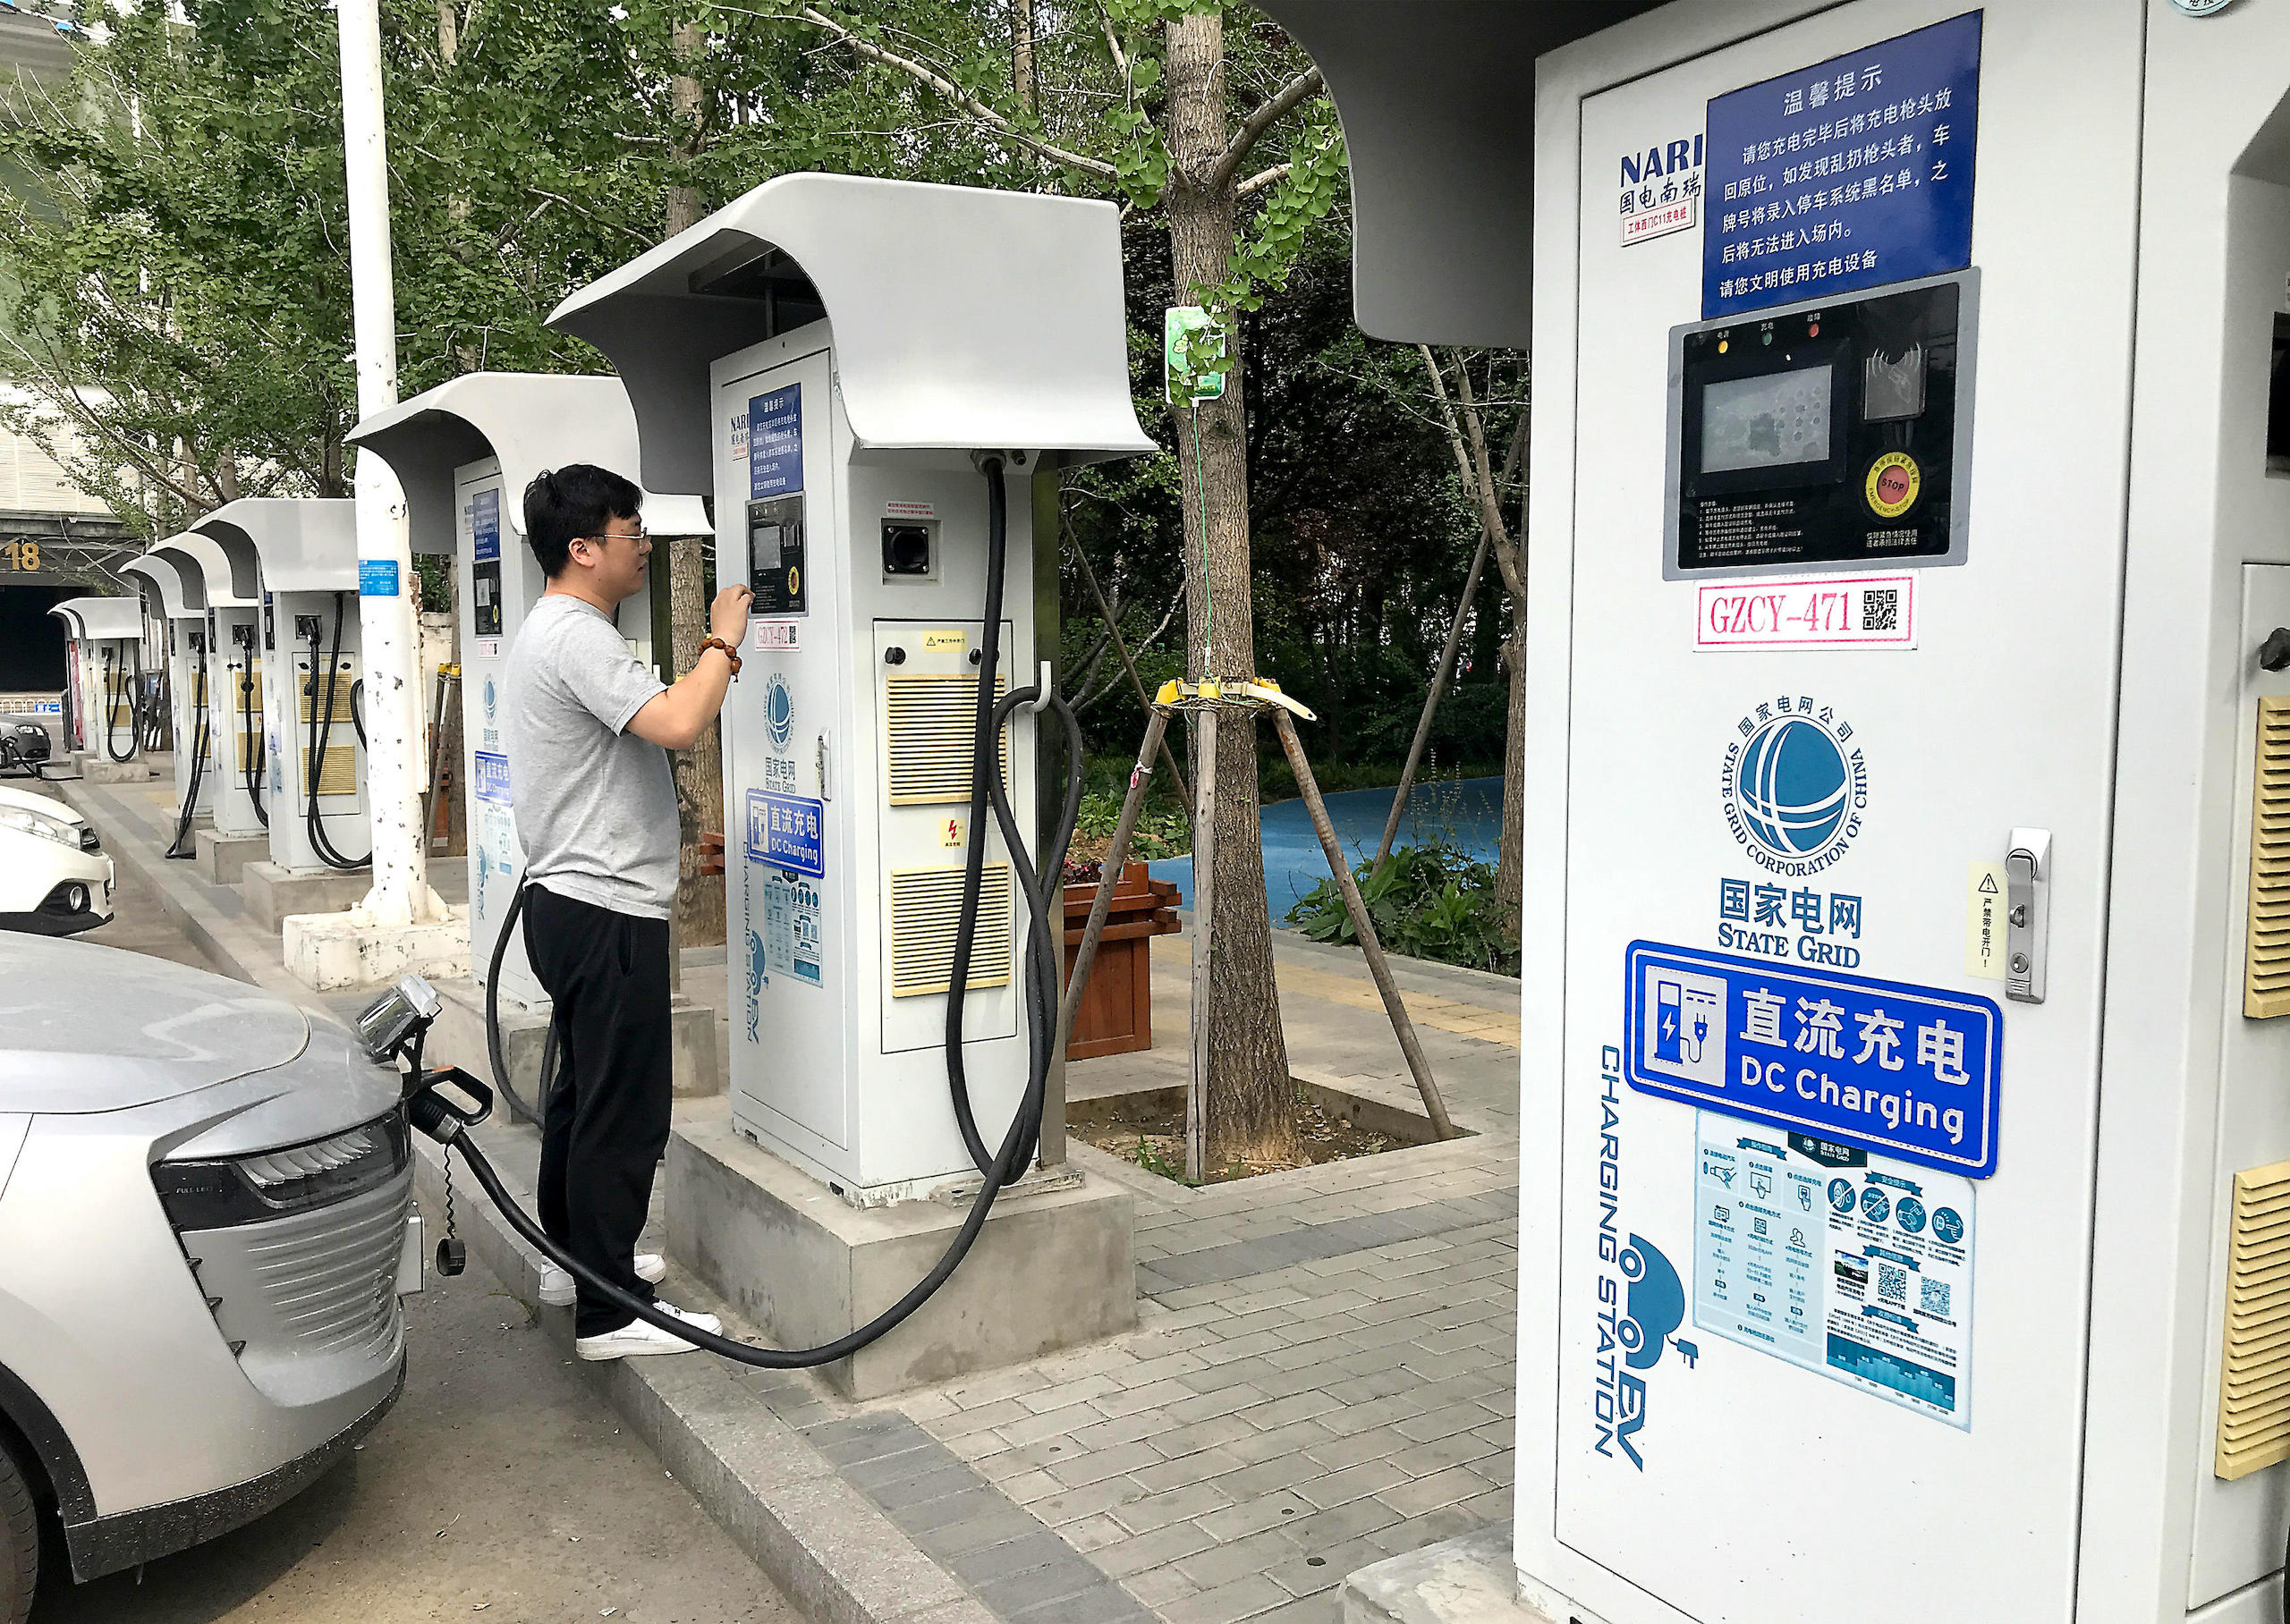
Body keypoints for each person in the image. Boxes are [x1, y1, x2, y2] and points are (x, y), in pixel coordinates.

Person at [501, 463, 751, 1360]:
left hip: (569, 903)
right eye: (629, 534)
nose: (642, 548)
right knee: (622, 1111)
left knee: (583, 1096)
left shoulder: (550, 631)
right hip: (605, 906)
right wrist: (721, 642)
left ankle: (580, 1264)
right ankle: (611, 1316)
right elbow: (680, 723)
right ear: (581, 549)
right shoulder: (578, 638)